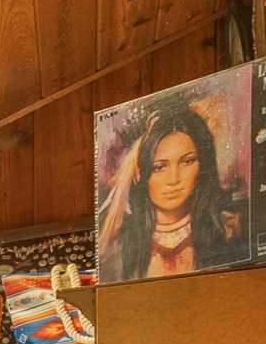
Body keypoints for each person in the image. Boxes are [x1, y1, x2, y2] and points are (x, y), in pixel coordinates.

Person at [102, 101, 247, 280]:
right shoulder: (120, 244)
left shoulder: (228, 230)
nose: (173, 179)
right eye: (160, 167)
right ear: (141, 173)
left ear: (203, 164)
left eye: (187, 162)